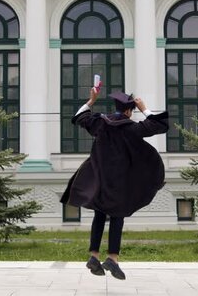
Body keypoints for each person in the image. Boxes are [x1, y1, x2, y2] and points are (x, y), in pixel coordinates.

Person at [60, 87, 169, 280]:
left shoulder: (100, 123)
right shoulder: (132, 128)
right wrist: (145, 109)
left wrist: (92, 100)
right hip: (120, 183)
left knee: (99, 216)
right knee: (117, 216)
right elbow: (160, 125)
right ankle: (112, 258)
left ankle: (94, 255)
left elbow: (78, 117)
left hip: (100, 181)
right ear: (129, 111)